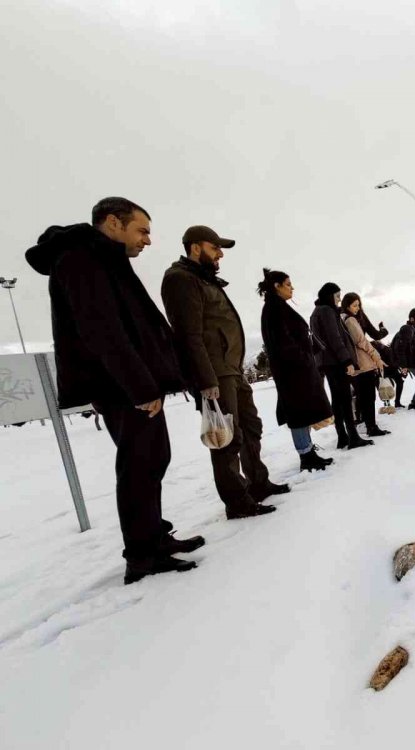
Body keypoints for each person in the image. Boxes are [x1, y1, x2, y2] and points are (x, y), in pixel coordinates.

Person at [25, 197, 203, 584]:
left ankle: (154, 536)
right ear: (113, 222)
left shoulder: (104, 258)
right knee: (139, 465)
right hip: (121, 385)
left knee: (154, 459)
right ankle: (142, 555)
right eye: (142, 230)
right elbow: (101, 330)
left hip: (131, 382)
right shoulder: (80, 259)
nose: (148, 240)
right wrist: (140, 386)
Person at [161, 226, 283, 518]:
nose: (220, 255)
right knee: (226, 438)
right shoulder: (180, 279)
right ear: (195, 247)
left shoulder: (205, 279)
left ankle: (258, 483)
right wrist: (205, 380)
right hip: (214, 373)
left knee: (251, 427)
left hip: (232, 369)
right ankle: (238, 502)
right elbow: (189, 335)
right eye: (215, 248)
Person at [258, 269, 336, 471]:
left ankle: (308, 452)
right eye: (288, 284)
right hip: (292, 371)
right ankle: (306, 455)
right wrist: (303, 357)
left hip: (297, 369)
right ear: (276, 286)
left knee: (302, 412)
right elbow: (284, 343)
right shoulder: (274, 309)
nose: (292, 288)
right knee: (298, 413)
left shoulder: (278, 307)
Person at [309, 282, 372, 449]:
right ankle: (353, 437)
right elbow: (334, 338)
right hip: (336, 361)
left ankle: (342, 436)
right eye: (337, 296)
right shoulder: (327, 311)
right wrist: (347, 361)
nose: (338, 300)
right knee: (344, 399)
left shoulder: (316, 312)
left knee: (337, 400)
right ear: (329, 296)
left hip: (327, 362)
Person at [341, 292, 390, 437]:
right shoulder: (350, 320)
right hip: (363, 362)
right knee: (369, 396)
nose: (358, 308)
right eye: (354, 305)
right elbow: (361, 341)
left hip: (356, 363)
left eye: (359, 305)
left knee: (363, 396)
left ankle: (368, 425)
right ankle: (372, 427)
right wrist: (376, 357)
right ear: (347, 306)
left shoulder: (342, 318)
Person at [372, 339, 404, 409]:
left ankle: (389, 402)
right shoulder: (385, 348)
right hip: (386, 369)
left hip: (384, 369)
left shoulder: (383, 348)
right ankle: (394, 402)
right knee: (396, 383)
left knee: (383, 385)